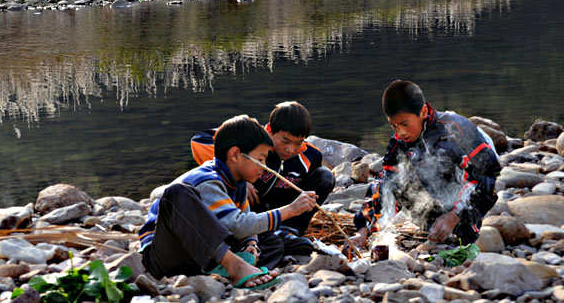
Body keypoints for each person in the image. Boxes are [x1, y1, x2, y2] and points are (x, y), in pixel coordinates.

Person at [139, 115, 318, 288]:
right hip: (169, 253)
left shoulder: (238, 183)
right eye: (261, 160)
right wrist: (290, 210)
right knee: (177, 192)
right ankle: (236, 267)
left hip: (203, 254)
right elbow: (238, 225)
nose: (264, 168)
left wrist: (251, 244)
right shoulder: (209, 181)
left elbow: (245, 221)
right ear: (235, 155)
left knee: (273, 243)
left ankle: (229, 268)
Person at [351, 80, 502, 247]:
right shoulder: (398, 142)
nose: (400, 132)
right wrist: (363, 230)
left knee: (465, 232)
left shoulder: (456, 128)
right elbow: (385, 185)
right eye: (394, 126)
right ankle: (438, 226)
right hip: (435, 199)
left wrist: (455, 216)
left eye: (404, 124)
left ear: (423, 111)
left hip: (467, 196)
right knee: (392, 180)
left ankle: (465, 226)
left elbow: (490, 176)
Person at [190, 102, 334, 261]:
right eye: (285, 141)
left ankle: (288, 231)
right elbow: (200, 141)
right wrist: (239, 176)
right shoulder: (253, 138)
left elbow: (314, 183)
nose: (290, 150)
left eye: (298, 143)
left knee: (325, 176)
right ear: (270, 130)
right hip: (247, 206)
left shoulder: (311, 155)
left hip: (280, 206)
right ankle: (258, 237)